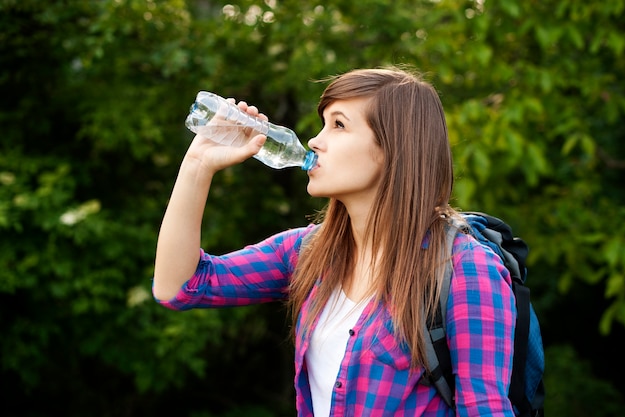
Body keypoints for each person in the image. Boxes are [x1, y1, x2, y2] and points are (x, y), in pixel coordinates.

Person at [153, 67, 516, 416]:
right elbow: (179, 287)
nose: (314, 140)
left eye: (339, 125)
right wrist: (198, 165)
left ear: (394, 149)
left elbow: (485, 408)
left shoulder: (463, 268)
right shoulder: (308, 252)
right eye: (323, 123)